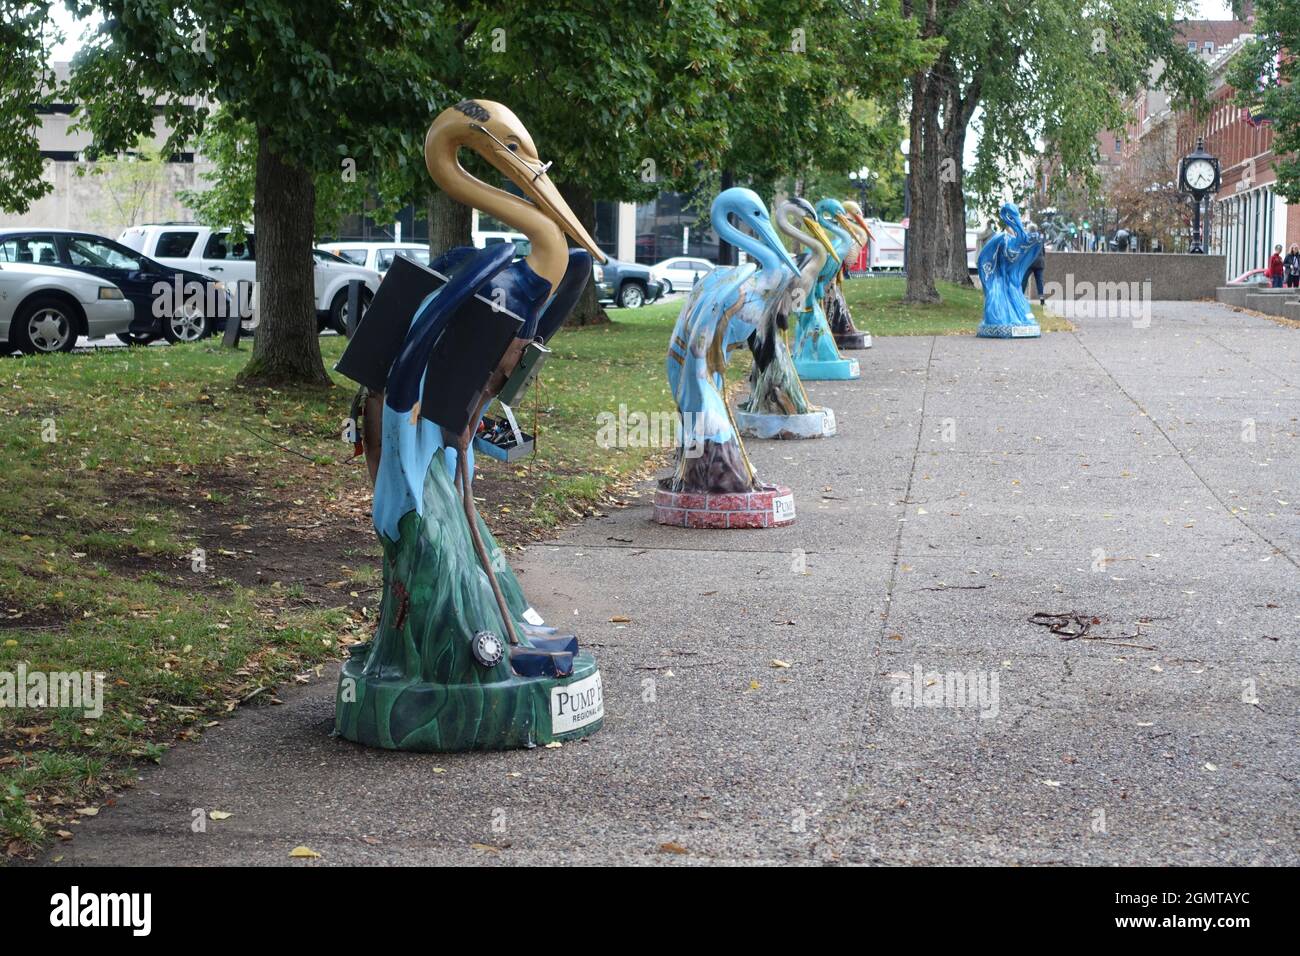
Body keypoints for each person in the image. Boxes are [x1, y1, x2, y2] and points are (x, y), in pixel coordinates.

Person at [1021, 221, 1046, 306]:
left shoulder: (1027, 238)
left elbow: (1024, 251)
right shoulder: (1040, 238)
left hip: (1030, 262)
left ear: (1028, 230)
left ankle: (1020, 296)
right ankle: (1042, 298)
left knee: (1024, 279)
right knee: (1039, 281)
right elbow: (1043, 251)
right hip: (1040, 262)